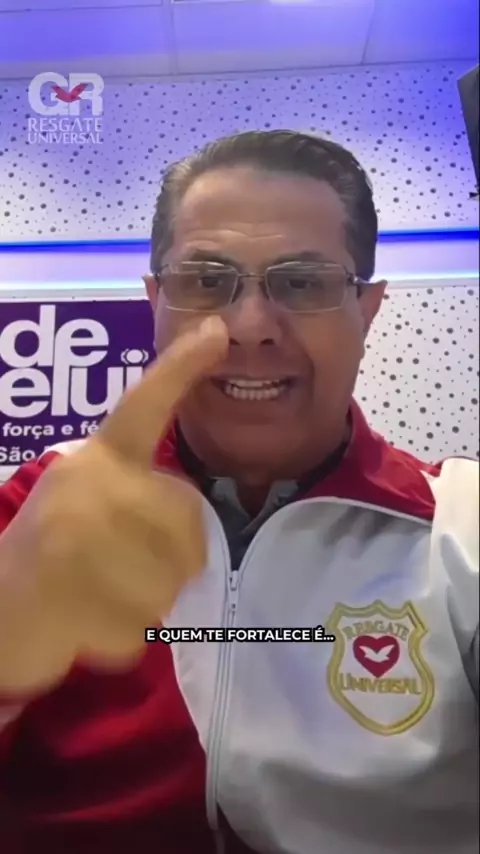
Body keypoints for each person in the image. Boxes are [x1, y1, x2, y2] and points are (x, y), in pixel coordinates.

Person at [0, 130, 478, 854]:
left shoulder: (462, 528)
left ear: (368, 308)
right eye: (204, 281)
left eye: (304, 283)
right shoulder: (37, 506)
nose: (250, 329)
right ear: (155, 302)